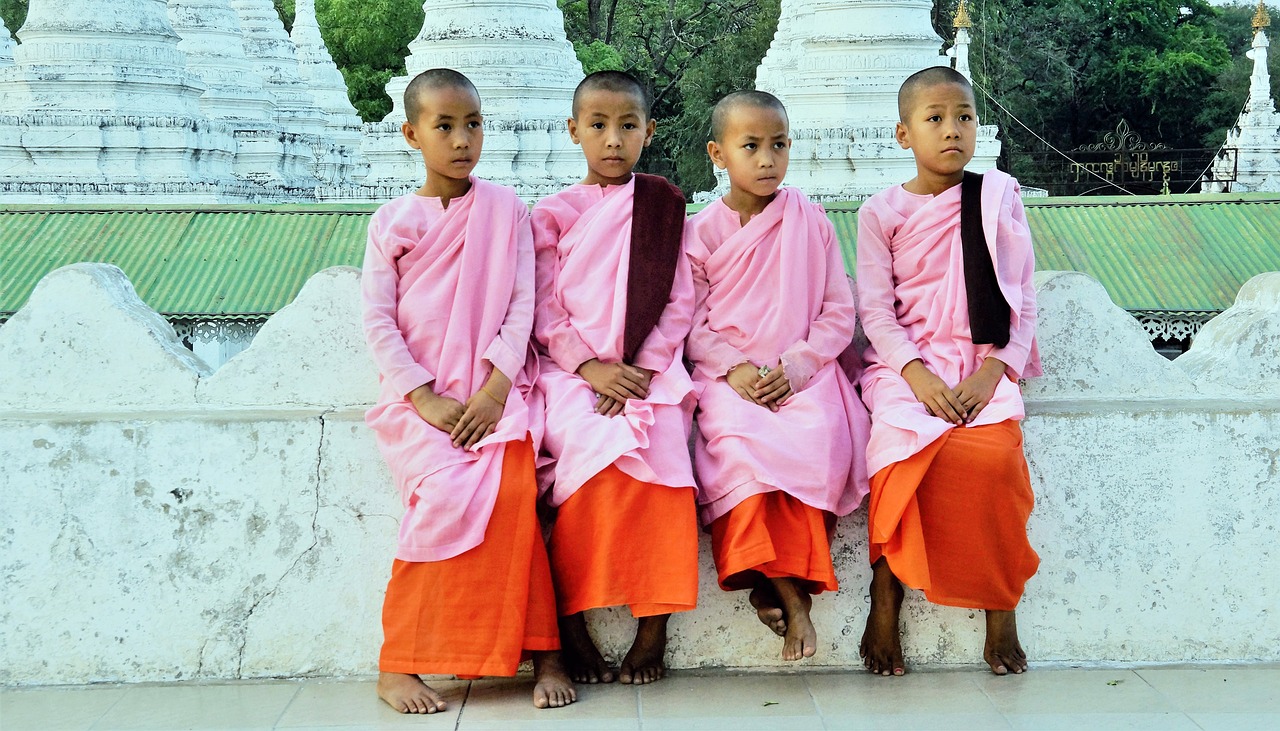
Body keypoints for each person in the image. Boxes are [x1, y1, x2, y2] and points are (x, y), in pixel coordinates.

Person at [362, 68, 575, 713]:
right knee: (441, 502)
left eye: (473, 124)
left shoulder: (505, 209)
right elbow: (378, 319)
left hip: (496, 399)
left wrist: (493, 392)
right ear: (411, 134)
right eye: (444, 126)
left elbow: (520, 305)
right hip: (420, 407)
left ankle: (545, 653)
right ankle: (399, 661)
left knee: (515, 496)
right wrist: (424, 398)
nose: (462, 140)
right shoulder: (392, 221)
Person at [856, 65, 1042, 677]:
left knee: (992, 461)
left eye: (963, 116)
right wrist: (918, 377)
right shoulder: (880, 212)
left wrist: (994, 372)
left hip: (982, 366)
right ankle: (886, 591)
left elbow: (1024, 298)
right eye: (934, 119)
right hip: (906, 368)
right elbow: (876, 311)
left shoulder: (998, 199)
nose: (951, 129)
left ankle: (1000, 606)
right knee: (899, 455)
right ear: (904, 134)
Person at [685, 90, 870, 662]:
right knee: (738, 449)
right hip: (730, 380)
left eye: (779, 145)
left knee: (816, 439)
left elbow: (840, 312)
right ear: (718, 154)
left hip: (804, 375)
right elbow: (686, 322)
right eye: (751, 146)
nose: (767, 159)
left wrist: (798, 366)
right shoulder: (701, 232)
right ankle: (793, 598)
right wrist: (733, 369)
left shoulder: (809, 220)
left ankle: (775, 585)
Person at [531, 70, 698, 686]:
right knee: (589, 457)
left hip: (649, 371)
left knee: (666, 464)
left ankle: (654, 627)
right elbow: (544, 307)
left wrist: (645, 366)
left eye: (627, 126)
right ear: (573, 130)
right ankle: (571, 622)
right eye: (597, 126)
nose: (612, 140)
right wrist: (591, 367)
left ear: (648, 132)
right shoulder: (551, 214)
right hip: (573, 377)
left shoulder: (662, 205)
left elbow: (680, 300)